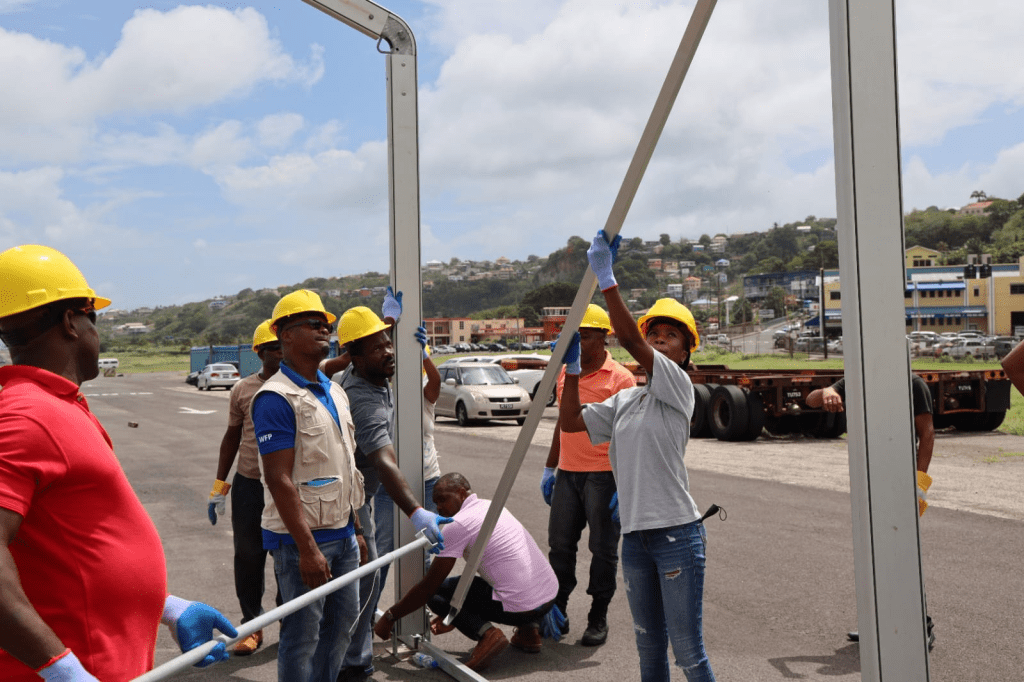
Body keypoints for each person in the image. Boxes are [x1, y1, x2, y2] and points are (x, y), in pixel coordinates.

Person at [0, 244, 236, 681]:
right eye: (95, 315)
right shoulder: (26, 416)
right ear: (71, 321)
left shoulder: (57, 406)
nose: (96, 329)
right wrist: (63, 671)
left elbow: (73, 544)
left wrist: (165, 607)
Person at [558, 230, 716, 682]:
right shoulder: (628, 400)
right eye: (657, 334)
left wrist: (607, 278)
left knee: (688, 653)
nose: (661, 341)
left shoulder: (677, 388)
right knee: (649, 651)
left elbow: (628, 339)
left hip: (676, 536)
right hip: (636, 539)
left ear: (685, 354)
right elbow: (571, 423)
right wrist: (571, 370)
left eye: (671, 337)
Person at [250, 290, 368, 682]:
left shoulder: (333, 390)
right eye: (313, 325)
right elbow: (278, 479)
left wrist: (356, 528)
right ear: (284, 334)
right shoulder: (276, 398)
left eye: (326, 326)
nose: (324, 331)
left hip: (343, 535)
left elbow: (344, 467)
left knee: (340, 629)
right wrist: (307, 550)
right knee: (301, 637)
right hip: (301, 543)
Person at [335, 293, 452, 681]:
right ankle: (353, 660)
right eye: (379, 346)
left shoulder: (370, 372)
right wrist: (416, 511)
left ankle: (352, 651)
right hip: (348, 501)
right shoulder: (363, 396)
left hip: (357, 495)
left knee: (364, 574)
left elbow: (363, 353)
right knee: (367, 574)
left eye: (388, 343)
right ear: (354, 355)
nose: (389, 351)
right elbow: (384, 461)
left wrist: (391, 326)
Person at [373, 473, 559, 672]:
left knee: (436, 594)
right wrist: (454, 615)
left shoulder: (458, 524)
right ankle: (529, 633)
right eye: (436, 503)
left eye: (443, 499)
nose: (439, 508)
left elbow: (429, 587)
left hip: (523, 606)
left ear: (461, 493)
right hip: (548, 597)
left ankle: (488, 635)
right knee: (496, 578)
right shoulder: (490, 505)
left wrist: (391, 617)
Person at [806, 371, 935, 647]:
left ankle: (922, 625)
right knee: (873, 554)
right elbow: (811, 399)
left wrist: (920, 482)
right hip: (869, 480)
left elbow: (927, 432)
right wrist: (829, 391)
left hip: (902, 480)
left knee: (903, 554)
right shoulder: (860, 377)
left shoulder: (912, 383)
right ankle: (876, 623)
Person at [542, 303, 635, 646]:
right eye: (574, 335)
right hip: (568, 473)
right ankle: (558, 608)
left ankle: (598, 615)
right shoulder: (567, 372)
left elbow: (628, 435)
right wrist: (550, 467)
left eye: (584, 335)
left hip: (602, 475)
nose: (577, 342)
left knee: (603, 549)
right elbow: (562, 426)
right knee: (560, 547)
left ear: (602, 337)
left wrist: (624, 484)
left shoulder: (621, 378)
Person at [207, 319, 284, 655]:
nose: (280, 354)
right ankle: (252, 625)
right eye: (273, 349)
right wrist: (219, 486)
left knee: (289, 556)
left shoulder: (301, 385)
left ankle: (292, 620)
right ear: (260, 352)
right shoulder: (243, 389)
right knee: (249, 556)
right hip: (250, 483)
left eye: (283, 347)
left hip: (287, 488)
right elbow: (232, 437)